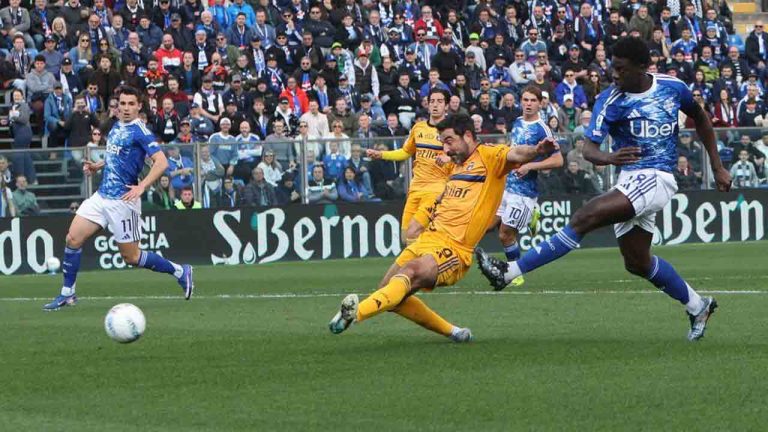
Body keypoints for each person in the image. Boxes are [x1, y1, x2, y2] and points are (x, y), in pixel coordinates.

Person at [475, 38, 732, 341]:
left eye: (621, 69)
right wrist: (608, 157)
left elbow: (701, 118)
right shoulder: (610, 100)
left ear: (641, 67)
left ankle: (509, 272)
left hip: (658, 175)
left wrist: (716, 166)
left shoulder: (672, 87)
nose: (614, 73)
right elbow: (588, 149)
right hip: (629, 180)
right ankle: (698, 305)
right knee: (637, 261)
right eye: (613, 66)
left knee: (586, 216)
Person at [327, 113, 557, 341]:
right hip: (429, 238)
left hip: (455, 249)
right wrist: (425, 217)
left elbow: (517, 152)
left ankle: (355, 314)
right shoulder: (454, 166)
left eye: (448, 141)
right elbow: (445, 197)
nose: (445, 149)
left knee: (410, 274)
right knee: (388, 294)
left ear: (467, 135)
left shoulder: (490, 156)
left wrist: (537, 151)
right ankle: (453, 332)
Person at [43, 86, 194, 311]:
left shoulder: (140, 132)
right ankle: (68, 294)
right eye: (122, 103)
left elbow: (161, 162)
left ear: (139, 106)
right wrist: (98, 165)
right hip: (102, 196)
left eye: (131, 104)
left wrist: (142, 186)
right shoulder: (116, 126)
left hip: (124, 200)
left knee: (131, 257)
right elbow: (117, 155)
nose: (125, 108)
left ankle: (181, 271)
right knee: (72, 239)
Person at [493, 86, 563, 287]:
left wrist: (530, 165)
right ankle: (532, 216)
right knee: (489, 226)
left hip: (523, 192)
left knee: (505, 233)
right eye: (525, 100)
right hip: (506, 186)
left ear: (540, 103)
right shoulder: (517, 122)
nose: (528, 104)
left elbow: (558, 160)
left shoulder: (542, 129)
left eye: (533, 100)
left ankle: (515, 273)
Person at [366, 88, 449, 244]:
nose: (435, 105)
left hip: (436, 189)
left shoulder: (451, 130)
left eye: (440, 101)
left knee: (414, 232)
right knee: (407, 239)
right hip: (415, 188)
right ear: (428, 105)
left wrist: (449, 157)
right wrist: (382, 154)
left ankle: (428, 265)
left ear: (446, 106)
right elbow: (405, 152)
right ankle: (432, 264)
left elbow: (465, 155)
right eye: (432, 101)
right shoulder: (418, 128)